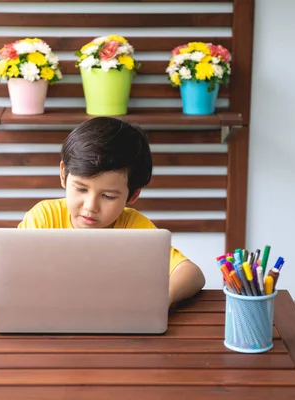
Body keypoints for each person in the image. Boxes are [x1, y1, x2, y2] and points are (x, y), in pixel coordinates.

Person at [18, 116, 206, 309]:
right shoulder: (43, 217)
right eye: (81, 189)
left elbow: (191, 273)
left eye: (108, 196)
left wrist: (164, 297)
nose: (91, 206)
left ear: (132, 195)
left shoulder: (134, 227)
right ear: (63, 175)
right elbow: (16, 273)